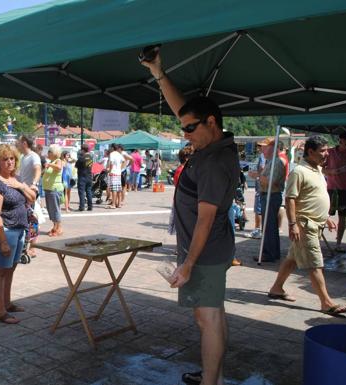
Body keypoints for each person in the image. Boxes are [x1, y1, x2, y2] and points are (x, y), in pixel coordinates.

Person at [142, 48, 240, 385]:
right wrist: (159, 73)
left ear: (211, 123)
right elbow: (183, 110)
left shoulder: (213, 162)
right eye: (183, 129)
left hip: (205, 252)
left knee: (206, 318)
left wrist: (187, 264)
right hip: (211, 249)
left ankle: (211, 381)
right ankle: (216, 374)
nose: (185, 135)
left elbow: (205, 219)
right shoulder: (211, 145)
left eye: (190, 129)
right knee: (214, 314)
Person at [267, 136, 346, 315]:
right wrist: (292, 224)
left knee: (292, 259)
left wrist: (325, 217)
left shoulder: (318, 169)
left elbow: (313, 196)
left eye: (326, 150)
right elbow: (290, 199)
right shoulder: (299, 171)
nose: (326, 154)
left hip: (315, 222)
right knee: (315, 263)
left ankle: (276, 288)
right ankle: (326, 302)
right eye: (322, 151)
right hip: (305, 225)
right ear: (310, 152)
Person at [0, 144, 36, 325]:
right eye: (5, 159)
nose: (9, 162)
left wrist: (20, 186)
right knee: (0, 271)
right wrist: (2, 240)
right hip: (6, 231)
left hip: (19, 229)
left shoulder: (15, 179)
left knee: (11, 269)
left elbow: (32, 197)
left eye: (12, 159)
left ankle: (7, 303)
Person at [323, 132, 346, 252]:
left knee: (343, 217)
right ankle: (316, 240)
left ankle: (338, 243)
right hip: (332, 189)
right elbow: (321, 168)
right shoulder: (330, 152)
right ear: (340, 141)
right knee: (324, 214)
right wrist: (335, 171)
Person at [252, 138, 286, 262]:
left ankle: (269, 253)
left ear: (272, 148)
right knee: (270, 226)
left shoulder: (276, 162)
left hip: (271, 195)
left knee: (269, 226)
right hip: (269, 195)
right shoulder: (272, 161)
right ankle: (272, 252)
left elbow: (272, 182)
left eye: (264, 146)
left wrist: (257, 176)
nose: (261, 149)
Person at [17, 136, 41, 257]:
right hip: (22, 192)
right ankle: (25, 246)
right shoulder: (22, 157)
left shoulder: (34, 156)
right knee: (26, 218)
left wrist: (34, 184)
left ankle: (32, 248)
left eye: (19, 142)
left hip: (29, 193)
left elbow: (37, 170)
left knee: (32, 219)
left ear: (24, 143)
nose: (17, 144)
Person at [42, 144, 64, 235]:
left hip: (54, 189)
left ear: (55, 153)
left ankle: (58, 228)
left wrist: (49, 164)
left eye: (50, 151)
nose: (48, 153)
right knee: (51, 209)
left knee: (55, 209)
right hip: (49, 189)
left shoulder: (58, 161)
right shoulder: (52, 161)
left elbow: (59, 168)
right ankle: (55, 226)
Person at [250, 144, 266, 239]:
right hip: (262, 185)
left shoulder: (263, 156)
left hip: (261, 185)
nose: (258, 147)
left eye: (260, 146)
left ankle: (257, 229)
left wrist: (255, 174)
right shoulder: (264, 156)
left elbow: (262, 170)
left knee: (258, 209)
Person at [75, 143, 93, 211]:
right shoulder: (90, 157)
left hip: (82, 176)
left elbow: (76, 166)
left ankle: (82, 207)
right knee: (89, 191)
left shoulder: (81, 158)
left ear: (82, 150)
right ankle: (90, 206)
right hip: (89, 176)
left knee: (81, 192)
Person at [106, 144, 124, 209]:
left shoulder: (112, 154)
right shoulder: (119, 154)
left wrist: (110, 171)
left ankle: (113, 204)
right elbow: (123, 161)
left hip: (113, 173)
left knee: (114, 189)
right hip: (118, 173)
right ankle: (119, 204)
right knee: (119, 189)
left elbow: (111, 163)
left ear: (112, 148)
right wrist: (120, 168)